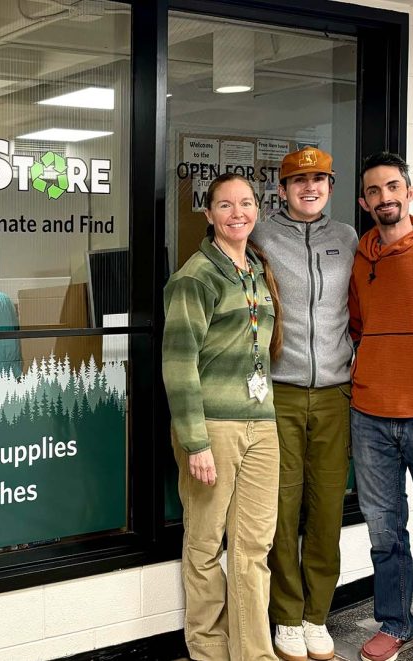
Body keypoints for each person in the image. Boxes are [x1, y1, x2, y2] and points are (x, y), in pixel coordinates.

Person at [164, 172, 283, 660]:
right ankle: (209, 650)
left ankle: (254, 654)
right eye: (227, 205)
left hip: (262, 423)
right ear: (209, 214)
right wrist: (196, 442)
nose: (239, 213)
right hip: (214, 427)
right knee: (206, 546)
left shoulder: (255, 268)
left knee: (254, 550)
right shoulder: (196, 276)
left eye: (247, 203)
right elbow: (178, 364)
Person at [250, 147, 357, 661]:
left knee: (326, 508)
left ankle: (318, 613)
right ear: (283, 189)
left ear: (330, 186)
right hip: (282, 391)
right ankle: (287, 617)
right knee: (281, 506)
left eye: (319, 179)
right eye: (299, 181)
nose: (309, 188)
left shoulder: (348, 238)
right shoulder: (262, 236)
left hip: (336, 393)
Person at [348, 151, 413, 661]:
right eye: (374, 191)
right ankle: (394, 622)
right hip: (370, 415)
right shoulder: (361, 256)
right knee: (384, 529)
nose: (384, 198)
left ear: (408, 191)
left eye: (392, 187)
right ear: (365, 201)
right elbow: (355, 327)